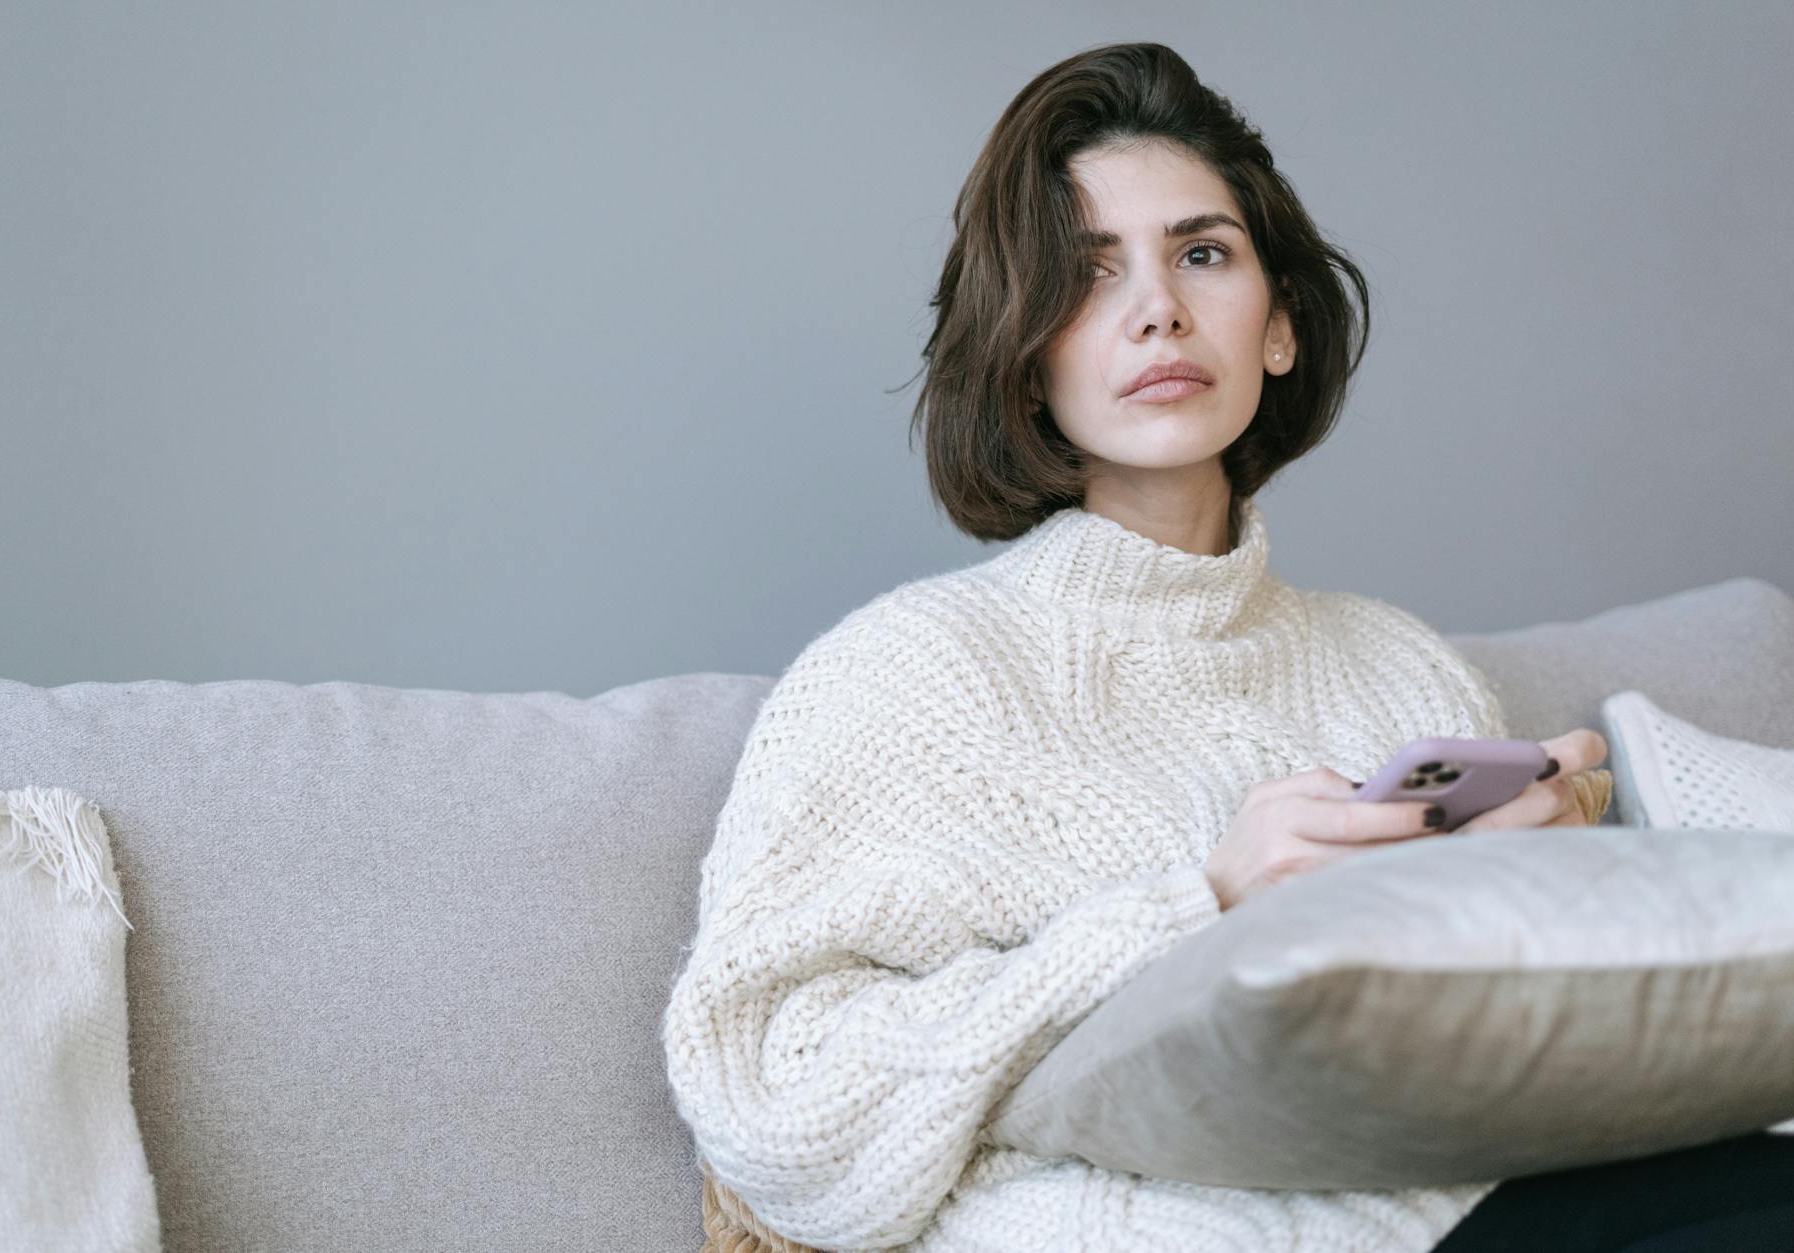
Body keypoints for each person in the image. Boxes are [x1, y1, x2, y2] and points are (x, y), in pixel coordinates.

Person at [662, 40, 1789, 1253]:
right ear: (1025, 355)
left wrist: (1550, 871)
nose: (1158, 306)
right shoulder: (906, 674)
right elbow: (770, 1104)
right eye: (1088, 277)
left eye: (1202, 252)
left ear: (1278, 330)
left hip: (1506, 1187)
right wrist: (1200, 900)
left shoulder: (1393, 663)